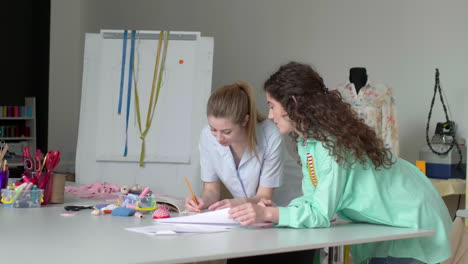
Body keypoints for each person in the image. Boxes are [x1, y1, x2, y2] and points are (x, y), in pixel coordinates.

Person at [228, 62, 452, 264]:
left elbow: (321, 215)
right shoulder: (309, 142)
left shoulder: (331, 145)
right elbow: (314, 200)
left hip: (412, 218)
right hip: (390, 224)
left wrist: (268, 215)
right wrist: (280, 210)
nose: (269, 116)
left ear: (292, 103)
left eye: (271, 106)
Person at [185, 81, 285, 212]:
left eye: (227, 132)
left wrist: (239, 203)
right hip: (249, 215)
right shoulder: (207, 136)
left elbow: (265, 196)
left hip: (283, 206)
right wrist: (202, 201)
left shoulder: (271, 135)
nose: (219, 138)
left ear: (245, 120)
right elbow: (211, 190)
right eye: (213, 129)